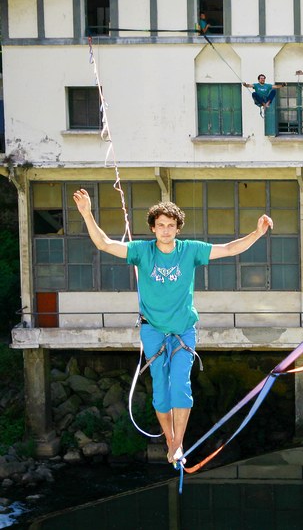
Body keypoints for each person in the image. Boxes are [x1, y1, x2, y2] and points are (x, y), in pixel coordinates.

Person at [72, 188, 273, 466]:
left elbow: (228, 249)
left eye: (171, 225)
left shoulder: (190, 250)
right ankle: (169, 440)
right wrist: (86, 213)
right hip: (152, 330)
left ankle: (178, 444)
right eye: (161, 225)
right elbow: (105, 244)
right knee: (160, 393)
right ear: (153, 228)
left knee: (181, 386)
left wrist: (257, 234)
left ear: (178, 228)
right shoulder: (142, 251)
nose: (166, 230)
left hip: (182, 331)